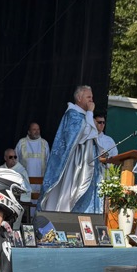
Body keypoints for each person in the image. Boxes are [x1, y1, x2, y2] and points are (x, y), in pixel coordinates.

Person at [38, 85, 100, 213]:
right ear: (79, 98)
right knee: (66, 192)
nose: (91, 100)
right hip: (71, 163)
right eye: (88, 97)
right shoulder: (73, 114)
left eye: (92, 97)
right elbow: (84, 134)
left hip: (81, 162)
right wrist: (90, 113)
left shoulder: (84, 115)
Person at [15, 122, 50, 207]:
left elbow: (49, 162)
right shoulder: (21, 143)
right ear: (29, 131)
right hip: (25, 182)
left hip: (40, 182)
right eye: (34, 129)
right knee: (26, 205)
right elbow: (15, 161)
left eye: (38, 129)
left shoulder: (44, 143)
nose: (37, 131)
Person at [2, 147, 34, 213]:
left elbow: (26, 188)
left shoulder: (21, 171)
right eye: (10, 157)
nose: (13, 159)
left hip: (18, 201)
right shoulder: (0, 169)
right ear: (5, 158)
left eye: (15, 157)